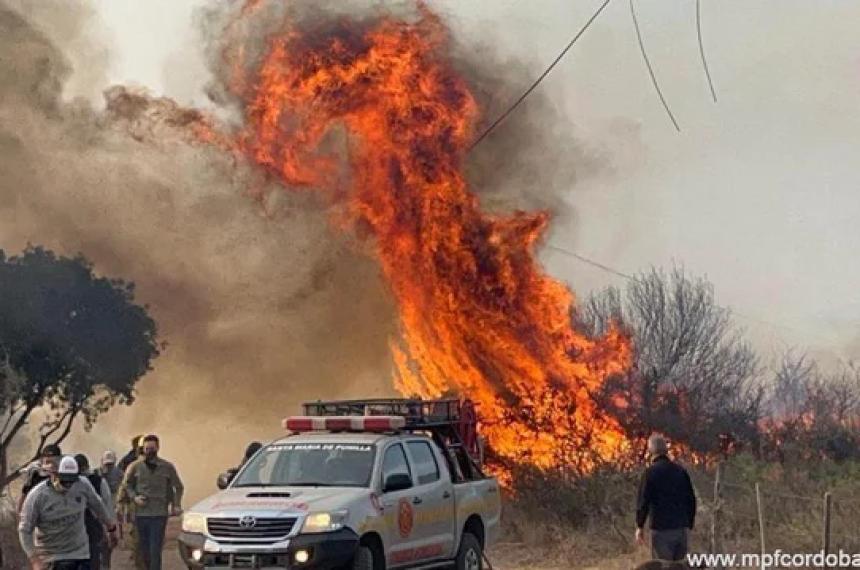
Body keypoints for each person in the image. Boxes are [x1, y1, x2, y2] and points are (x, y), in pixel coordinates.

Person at [18, 455, 119, 570]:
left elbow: (98, 505)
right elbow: (24, 530)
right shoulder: (38, 496)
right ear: (54, 475)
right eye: (64, 481)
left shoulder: (82, 484)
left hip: (79, 553)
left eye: (71, 481)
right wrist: (34, 560)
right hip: (51, 557)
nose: (68, 485)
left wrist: (111, 528)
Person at [119, 434, 184, 570]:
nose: (150, 451)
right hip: (140, 515)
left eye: (153, 448)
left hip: (159, 514)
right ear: (143, 449)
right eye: (147, 448)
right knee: (142, 551)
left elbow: (178, 486)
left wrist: (176, 504)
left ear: (158, 448)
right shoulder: (134, 467)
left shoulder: (167, 467)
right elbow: (126, 485)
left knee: (155, 550)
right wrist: (134, 497)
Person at [635, 434, 697, 562]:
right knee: (680, 567)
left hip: (661, 531)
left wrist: (639, 526)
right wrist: (689, 523)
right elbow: (691, 499)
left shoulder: (650, 473)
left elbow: (643, 501)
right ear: (666, 450)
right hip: (681, 530)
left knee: (663, 565)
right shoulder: (680, 471)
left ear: (651, 451)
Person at [74, 454, 114, 570]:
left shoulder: (96, 481)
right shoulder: (99, 481)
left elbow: (105, 506)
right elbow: (106, 506)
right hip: (85, 530)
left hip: (90, 529)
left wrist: (109, 528)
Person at [17, 444, 63, 516]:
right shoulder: (35, 472)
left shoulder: (63, 471)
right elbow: (24, 494)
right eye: (46, 457)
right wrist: (20, 513)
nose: (48, 459)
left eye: (51, 458)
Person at [96, 451, 123, 569]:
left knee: (109, 544)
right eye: (106, 464)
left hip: (113, 506)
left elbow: (123, 489)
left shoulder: (120, 474)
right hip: (99, 512)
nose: (108, 467)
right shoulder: (96, 475)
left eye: (110, 465)